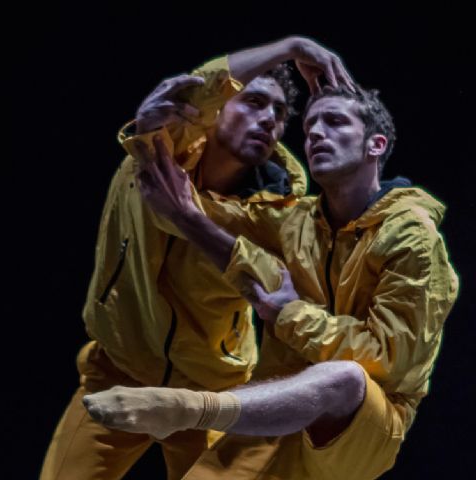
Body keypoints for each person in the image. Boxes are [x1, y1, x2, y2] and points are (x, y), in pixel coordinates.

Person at [82, 84, 459, 479]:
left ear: (375, 145)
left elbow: (389, 362)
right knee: (259, 267)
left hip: (362, 430)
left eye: (334, 121)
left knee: (344, 378)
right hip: (274, 412)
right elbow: (181, 209)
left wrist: (289, 314)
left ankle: (189, 409)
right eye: (310, 124)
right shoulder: (294, 222)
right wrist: (154, 138)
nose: (314, 133)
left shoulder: (412, 235)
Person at [39, 36, 354, 480]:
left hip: (211, 387)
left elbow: (269, 283)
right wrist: (292, 47)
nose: (268, 119)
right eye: (255, 102)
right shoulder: (157, 150)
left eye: (280, 114)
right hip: (119, 369)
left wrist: (189, 217)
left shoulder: (281, 212)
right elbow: (196, 89)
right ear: (220, 108)